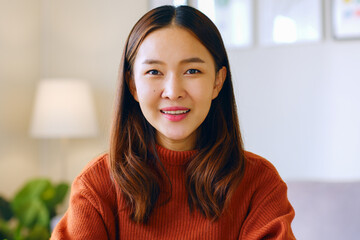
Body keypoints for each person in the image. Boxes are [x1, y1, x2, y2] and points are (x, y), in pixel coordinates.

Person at [51, 5, 295, 240]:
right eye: (154, 72)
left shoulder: (259, 184)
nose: (173, 91)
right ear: (133, 84)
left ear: (217, 82)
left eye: (192, 71)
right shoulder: (97, 185)